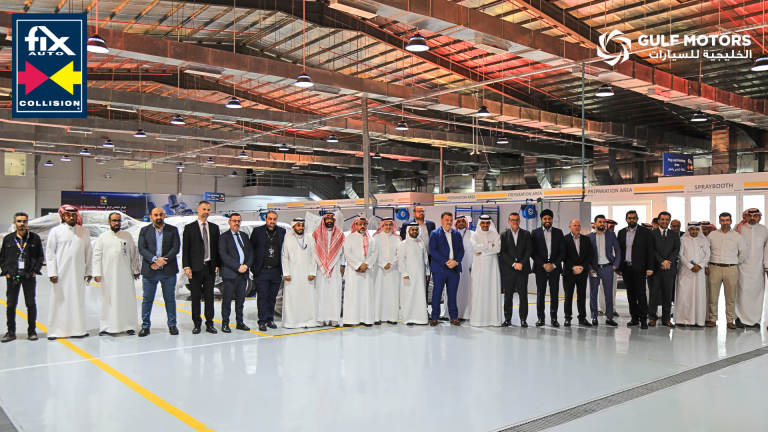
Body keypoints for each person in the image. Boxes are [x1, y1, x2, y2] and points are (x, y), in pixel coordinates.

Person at [45, 205, 93, 340]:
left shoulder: (83, 231)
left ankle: (78, 330)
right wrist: (52, 273)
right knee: (59, 301)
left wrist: (89, 271)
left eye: (73, 215)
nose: (71, 217)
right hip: (60, 274)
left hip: (78, 273)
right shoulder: (56, 231)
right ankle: (56, 331)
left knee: (77, 301)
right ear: (63, 216)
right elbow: (50, 253)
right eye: (68, 215)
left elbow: (88, 252)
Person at [92, 212, 140, 336]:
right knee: (108, 300)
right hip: (108, 275)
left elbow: (133, 254)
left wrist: (136, 270)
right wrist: (97, 273)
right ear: (109, 222)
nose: (116, 223)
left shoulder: (127, 236)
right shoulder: (102, 237)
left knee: (127, 299)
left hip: (125, 274)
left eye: (118, 221)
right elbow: (97, 256)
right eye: (114, 221)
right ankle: (107, 326)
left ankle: (129, 326)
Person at [137, 207, 180, 337]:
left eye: (161, 214)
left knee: (170, 299)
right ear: (151, 217)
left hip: (168, 270)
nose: (158, 217)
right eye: (156, 215)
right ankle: (145, 326)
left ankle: (172, 325)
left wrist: (162, 261)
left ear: (164, 216)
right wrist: (155, 260)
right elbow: (142, 248)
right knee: (147, 299)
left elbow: (176, 248)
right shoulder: (144, 231)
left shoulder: (172, 230)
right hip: (150, 270)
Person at [1, 212, 44, 342]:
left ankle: (32, 331)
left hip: (29, 276)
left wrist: (35, 271)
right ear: (14, 222)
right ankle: (11, 332)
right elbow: (2, 257)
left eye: (24, 221)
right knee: (11, 305)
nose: (22, 224)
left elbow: (40, 256)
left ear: (27, 222)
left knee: (30, 304)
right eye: (19, 221)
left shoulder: (34, 238)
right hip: (12, 276)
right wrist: (6, 272)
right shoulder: (8, 239)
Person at [183, 201, 221, 335]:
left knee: (209, 298)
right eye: (204, 209)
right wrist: (186, 266)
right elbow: (186, 249)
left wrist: (218, 264)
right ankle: (197, 324)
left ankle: (210, 324)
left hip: (209, 268)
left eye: (208, 210)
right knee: (196, 298)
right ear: (198, 210)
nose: (206, 212)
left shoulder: (214, 228)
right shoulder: (189, 228)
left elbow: (217, 248)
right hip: (195, 269)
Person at [705, 212, 748, 329]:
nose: (725, 222)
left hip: (731, 269)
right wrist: (706, 265)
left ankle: (730, 321)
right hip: (714, 268)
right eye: (723, 220)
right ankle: (712, 319)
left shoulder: (737, 236)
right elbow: (706, 251)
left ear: (731, 221)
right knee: (713, 296)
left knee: (730, 297)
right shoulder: (712, 235)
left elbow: (743, 253)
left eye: (727, 220)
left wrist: (734, 262)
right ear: (720, 221)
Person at [617, 210, 654, 329]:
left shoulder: (645, 232)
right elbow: (619, 251)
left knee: (641, 294)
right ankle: (634, 318)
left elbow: (650, 250)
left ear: (637, 219)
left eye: (633, 218)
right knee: (630, 294)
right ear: (626, 219)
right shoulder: (621, 232)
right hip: (626, 268)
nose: (631, 220)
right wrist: (618, 267)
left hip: (640, 268)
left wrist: (650, 267)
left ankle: (643, 320)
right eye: (629, 218)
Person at [250, 210, 286, 332]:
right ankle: (262, 321)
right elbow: (251, 249)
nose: (272, 221)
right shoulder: (257, 231)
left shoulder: (282, 232)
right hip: (262, 271)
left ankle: (270, 319)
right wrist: (252, 267)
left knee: (272, 297)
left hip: (276, 271)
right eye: (270, 219)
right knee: (262, 297)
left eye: (274, 219)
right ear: (265, 219)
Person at [218, 213, 253, 332]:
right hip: (230, 274)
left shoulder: (244, 236)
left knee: (240, 300)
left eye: (238, 221)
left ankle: (240, 322)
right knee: (227, 300)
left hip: (243, 274)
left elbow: (250, 252)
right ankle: (225, 323)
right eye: (234, 221)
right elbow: (224, 255)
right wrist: (238, 267)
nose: (237, 223)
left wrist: (246, 265)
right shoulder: (224, 237)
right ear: (229, 222)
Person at [429, 212, 465, 327]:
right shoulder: (435, 234)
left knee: (452, 294)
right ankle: (435, 317)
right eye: (447, 220)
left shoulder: (457, 234)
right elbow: (433, 250)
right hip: (439, 269)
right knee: (437, 293)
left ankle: (453, 317)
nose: (449, 222)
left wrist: (456, 261)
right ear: (441, 220)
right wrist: (446, 261)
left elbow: (461, 250)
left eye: (450, 220)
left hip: (454, 269)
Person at [531, 209, 565, 327]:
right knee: (541, 293)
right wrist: (543, 264)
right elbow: (533, 252)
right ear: (541, 220)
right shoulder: (535, 233)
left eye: (549, 218)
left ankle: (554, 318)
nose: (547, 220)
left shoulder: (558, 232)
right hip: (540, 268)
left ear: (552, 220)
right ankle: (541, 318)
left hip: (555, 268)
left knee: (554, 293)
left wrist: (553, 265)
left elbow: (562, 251)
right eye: (545, 218)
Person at [281, 218, 318, 329]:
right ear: (293, 227)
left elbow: (314, 256)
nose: (301, 228)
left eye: (302, 225)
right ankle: (291, 322)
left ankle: (308, 321)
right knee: (292, 298)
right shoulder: (288, 238)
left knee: (307, 297)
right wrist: (286, 273)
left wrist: (312, 272)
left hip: (307, 274)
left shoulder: (310, 238)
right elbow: (284, 256)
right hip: (292, 275)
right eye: (298, 225)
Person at [735, 209, 766, 329]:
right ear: (746, 217)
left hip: (758, 268)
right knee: (741, 293)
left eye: (755, 216)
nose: (752, 218)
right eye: (750, 215)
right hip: (742, 267)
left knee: (757, 294)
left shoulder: (764, 229)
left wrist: (766, 265)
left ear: (759, 217)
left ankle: (755, 320)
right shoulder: (739, 229)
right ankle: (739, 318)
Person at [344, 217, 378, 326]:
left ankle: (366, 319)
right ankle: (351, 320)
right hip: (353, 271)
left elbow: (375, 254)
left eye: (364, 224)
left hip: (367, 272)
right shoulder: (349, 238)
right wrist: (359, 265)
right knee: (353, 295)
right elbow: (347, 253)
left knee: (366, 296)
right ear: (355, 225)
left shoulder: (371, 239)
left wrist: (366, 264)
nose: (362, 226)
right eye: (360, 224)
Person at [500, 212, 532, 327]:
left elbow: (529, 250)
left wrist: (521, 263)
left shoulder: (526, 234)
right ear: (509, 221)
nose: (515, 222)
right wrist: (513, 264)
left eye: (517, 219)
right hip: (509, 269)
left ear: (520, 221)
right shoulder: (503, 235)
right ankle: (507, 319)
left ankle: (523, 319)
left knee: (523, 295)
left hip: (522, 269)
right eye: (512, 220)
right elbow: (502, 252)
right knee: (508, 295)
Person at [312, 212, 345, 327]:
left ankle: (334, 319)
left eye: (331, 219)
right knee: (321, 292)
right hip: (320, 267)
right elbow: (313, 250)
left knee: (334, 292)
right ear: (324, 220)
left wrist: (342, 264)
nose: (329, 220)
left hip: (335, 266)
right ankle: (320, 319)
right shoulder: (317, 232)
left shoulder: (339, 233)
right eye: (327, 219)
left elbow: (343, 251)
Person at [649, 211, 681, 327]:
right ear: (658, 220)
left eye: (667, 219)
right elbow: (651, 250)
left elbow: (676, 250)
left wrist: (668, 262)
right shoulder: (651, 233)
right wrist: (662, 261)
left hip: (669, 269)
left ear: (669, 221)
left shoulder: (674, 234)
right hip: (655, 269)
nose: (664, 221)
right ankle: (652, 317)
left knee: (668, 295)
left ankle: (666, 319)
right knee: (653, 294)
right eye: (662, 219)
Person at [469, 215, 502, 327]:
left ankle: (493, 321)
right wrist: (489, 245)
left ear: (490, 224)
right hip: (479, 269)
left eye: (487, 223)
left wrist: (483, 251)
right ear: (480, 223)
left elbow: (498, 248)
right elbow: (475, 248)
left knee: (492, 291)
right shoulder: (475, 235)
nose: (485, 225)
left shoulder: (495, 234)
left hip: (492, 269)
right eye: (483, 223)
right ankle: (478, 320)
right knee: (479, 291)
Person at [675, 222, 710, 327]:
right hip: (685, 271)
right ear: (688, 230)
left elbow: (708, 255)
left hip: (699, 272)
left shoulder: (704, 241)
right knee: (684, 294)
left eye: (696, 229)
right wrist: (690, 266)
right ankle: (682, 320)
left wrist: (700, 265)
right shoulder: (682, 240)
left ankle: (698, 320)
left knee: (698, 294)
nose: (694, 231)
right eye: (692, 229)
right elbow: (680, 255)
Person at [590, 215, 620, 326]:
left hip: (608, 268)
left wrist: (615, 265)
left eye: (603, 222)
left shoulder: (611, 235)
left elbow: (618, 250)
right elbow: (586, 255)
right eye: (600, 222)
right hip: (594, 269)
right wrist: (589, 268)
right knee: (593, 294)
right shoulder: (589, 237)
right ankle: (594, 317)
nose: (602, 224)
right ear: (595, 224)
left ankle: (609, 318)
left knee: (609, 294)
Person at [562, 219, 593, 327]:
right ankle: (567, 318)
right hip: (569, 273)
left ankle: (582, 318)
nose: (577, 227)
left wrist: (582, 267)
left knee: (582, 296)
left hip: (582, 272)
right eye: (575, 225)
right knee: (568, 296)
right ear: (570, 227)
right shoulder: (564, 239)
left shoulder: (586, 239)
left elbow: (590, 255)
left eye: (578, 225)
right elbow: (563, 255)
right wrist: (573, 267)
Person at [398, 223, 429, 325]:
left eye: (416, 230)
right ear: (408, 231)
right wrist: (404, 273)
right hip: (408, 275)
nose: (415, 231)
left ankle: (421, 319)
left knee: (420, 295)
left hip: (420, 275)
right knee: (408, 296)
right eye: (413, 230)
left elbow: (425, 259)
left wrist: (427, 272)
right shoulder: (403, 244)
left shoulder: (421, 242)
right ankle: (408, 318)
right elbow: (401, 260)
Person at [442, 215, 473, 320]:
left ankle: (466, 313)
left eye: (463, 221)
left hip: (468, 267)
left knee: (467, 289)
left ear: (466, 223)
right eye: (458, 221)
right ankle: (450, 313)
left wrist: (472, 265)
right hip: (453, 266)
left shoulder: (472, 234)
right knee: (452, 289)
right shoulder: (451, 234)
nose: (461, 223)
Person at [371, 218, 401, 325]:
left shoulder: (396, 238)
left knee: (392, 293)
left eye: (390, 225)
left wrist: (391, 263)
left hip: (393, 269)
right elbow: (374, 253)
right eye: (386, 225)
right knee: (379, 292)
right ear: (382, 226)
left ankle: (392, 317)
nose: (388, 227)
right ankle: (377, 317)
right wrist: (383, 263)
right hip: (379, 269)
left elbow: (399, 253)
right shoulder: (376, 237)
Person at [598, 219, 620, 317]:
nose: (612, 229)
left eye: (613, 227)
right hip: (600, 266)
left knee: (612, 289)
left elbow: (618, 252)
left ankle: (612, 309)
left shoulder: (613, 237)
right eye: (611, 227)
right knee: (600, 289)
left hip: (612, 267)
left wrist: (616, 267)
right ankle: (601, 308)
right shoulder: (600, 237)